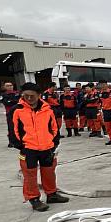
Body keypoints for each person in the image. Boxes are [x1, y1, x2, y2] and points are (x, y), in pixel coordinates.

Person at [9, 83, 69, 211]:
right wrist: (20, 146)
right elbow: (13, 131)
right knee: (30, 175)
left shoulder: (48, 109)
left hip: (47, 147)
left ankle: (51, 194)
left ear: (39, 95)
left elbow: (54, 127)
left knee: (49, 172)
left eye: (32, 96)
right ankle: (34, 198)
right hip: (28, 149)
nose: (29, 98)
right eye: (26, 96)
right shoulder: (17, 110)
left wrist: (54, 143)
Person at [0, 81, 21, 148]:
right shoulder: (3, 95)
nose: (10, 87)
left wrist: (11, 101)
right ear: (5, 87)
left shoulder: (17, 93)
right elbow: (6, 103)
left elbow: (20, 101)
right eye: (8, 85)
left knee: (20, 127)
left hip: (19, 113)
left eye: (11, 85)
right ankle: (11, 142)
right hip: (10, 113)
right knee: (11, 128)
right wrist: (13, 101)